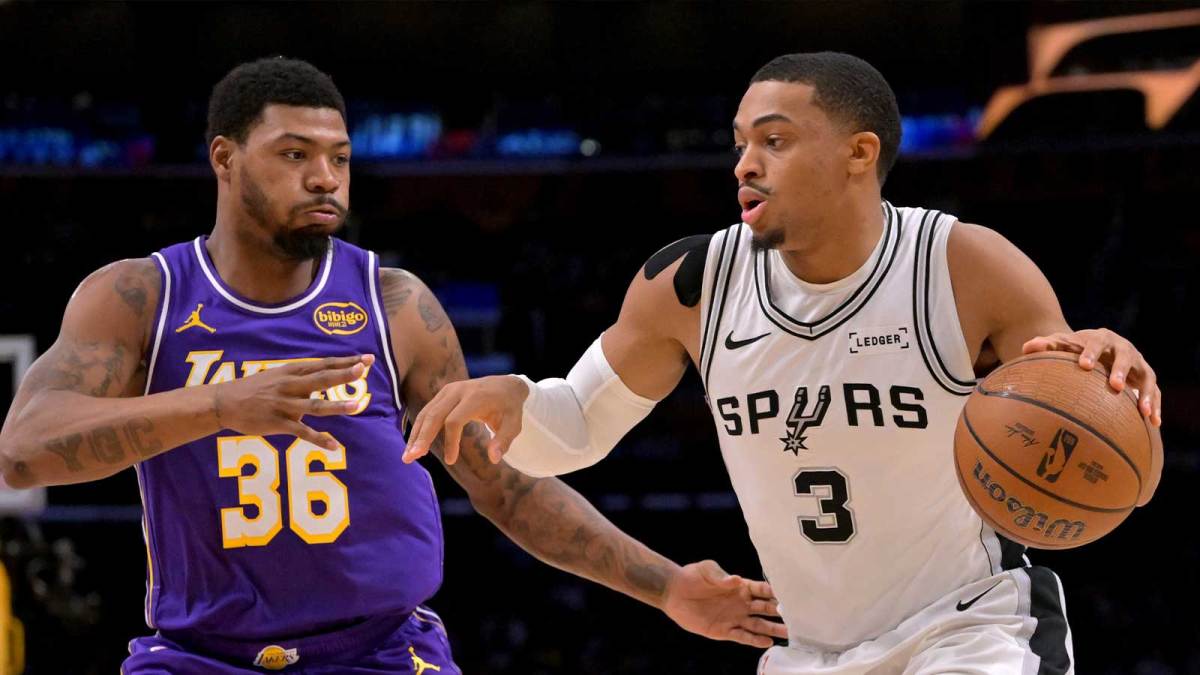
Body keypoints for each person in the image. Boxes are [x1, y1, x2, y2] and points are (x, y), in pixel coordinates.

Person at [0, 57, 785, 674]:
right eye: (294, 154)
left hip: (379, 653)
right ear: (225, 159)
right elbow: (24, 449)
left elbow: (504, 484)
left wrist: (666, 586)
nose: (324, 176)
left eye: (338, 156)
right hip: (201, 656)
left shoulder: (394, 303)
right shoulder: (141, 295)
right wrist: (215, 407)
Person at [405, 52, 1165, 674]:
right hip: (807, 652)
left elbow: (1067, 379)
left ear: (858, 153)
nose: (743, 164)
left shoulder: (963, 265)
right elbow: (572, 429)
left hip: (968, 632)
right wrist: (516, 400)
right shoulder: (692, 283)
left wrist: (1109, 368)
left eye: (774, 140)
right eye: (739, 142)